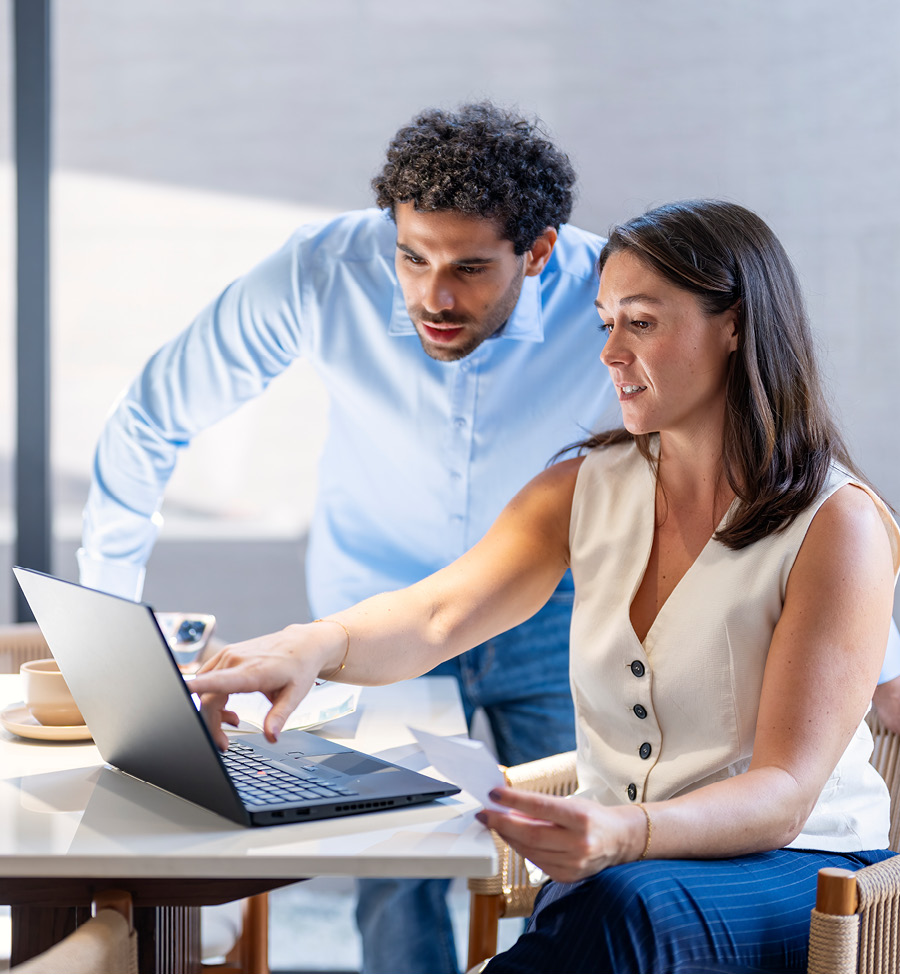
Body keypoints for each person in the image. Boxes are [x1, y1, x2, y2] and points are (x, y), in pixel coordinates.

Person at [190, 199, 898, 974]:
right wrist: (306, 646)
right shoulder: (583, 488)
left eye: (642, 322)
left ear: (734, 323)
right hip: (621, 876)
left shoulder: (836, 524)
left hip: (802, 867)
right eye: (605, 323)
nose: (610, 353)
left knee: (626, 906)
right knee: (615, 903)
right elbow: (436, 615)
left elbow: (786, 790)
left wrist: (624, 833)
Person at [77, 102, 616, 974]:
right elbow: (149, 416)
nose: (435, 294)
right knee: (392, 861)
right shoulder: (324, 270)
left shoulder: (614, 296)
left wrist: (881, 660)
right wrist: (109, 615)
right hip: (369, 613)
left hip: (547, 606)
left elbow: (757, 452)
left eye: (472, 268)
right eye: (413, 257)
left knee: (578, 857)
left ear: (541, 250)